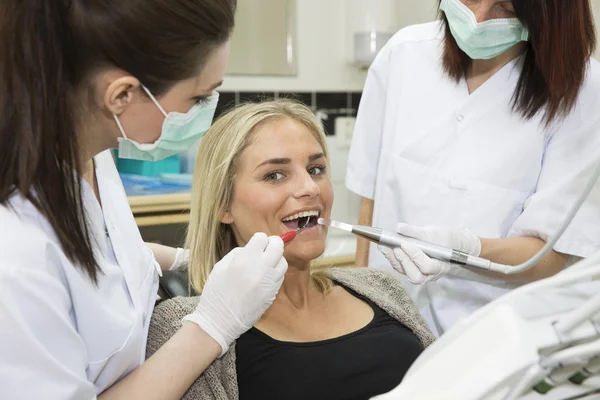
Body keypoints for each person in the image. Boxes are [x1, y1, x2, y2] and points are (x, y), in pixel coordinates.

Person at [0, 1, 290, 398]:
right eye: (199, 98)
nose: (205, 113)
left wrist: (183, 259)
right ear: (122, 95)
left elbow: (102, 260)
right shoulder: (14, 253)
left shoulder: (91, 152)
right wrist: (214, 325)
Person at [146, 100, 435, 400]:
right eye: (275, 175)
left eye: (316, 168)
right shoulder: (184, 328)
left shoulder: (381, 288)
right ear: (223, 205)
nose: (310, 187)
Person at [347, 0, 600, 337]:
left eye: (505, 9)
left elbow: (551, 253)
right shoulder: (403, 55)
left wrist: (465, 251)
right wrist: (356, 310)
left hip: (496, 343)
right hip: (388, 330)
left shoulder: (583, 91)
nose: (478, 19)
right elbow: (371, 201)